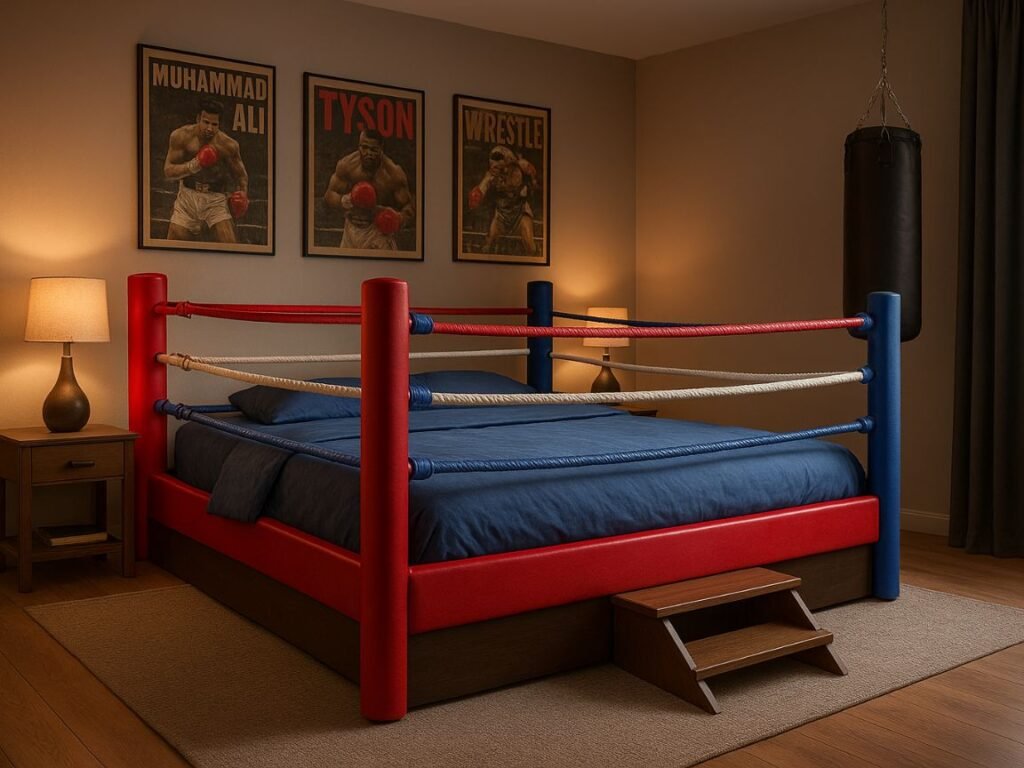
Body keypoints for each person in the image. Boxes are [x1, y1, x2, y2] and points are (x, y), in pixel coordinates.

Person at [162, 99, 250, 243]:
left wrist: (243, 195)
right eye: (206, 122)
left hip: (215, 200)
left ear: (219, 124)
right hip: (187, 198)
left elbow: (241, 176)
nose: (209, 128)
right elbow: (168, 171)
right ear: (198, 119)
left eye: (214, 124)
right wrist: (194, 164)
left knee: (230, 244)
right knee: (171, 247)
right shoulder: (181, 136)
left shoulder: (228, 145)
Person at [324, 130, 415, 251]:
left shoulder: (393, 173)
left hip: (379, 232)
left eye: (374, 149)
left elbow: (409, 207)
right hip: (351, 229)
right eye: (364, 147)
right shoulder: (347, 165)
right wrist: (343, 200)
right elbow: (329, 195)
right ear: (359, 146)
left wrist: (398, 219)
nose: (368, 153)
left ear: (381, 149)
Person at [467, 145, 539, 255]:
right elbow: (474, 201)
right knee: (488, 244)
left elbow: (534, 179)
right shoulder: (491, 176)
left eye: (504, 169)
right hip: (501, 214)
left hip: (520, 211)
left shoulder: (521, 167)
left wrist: (529, 186)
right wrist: (483, 186)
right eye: (497, 169)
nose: (502, 173)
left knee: (530, 246)